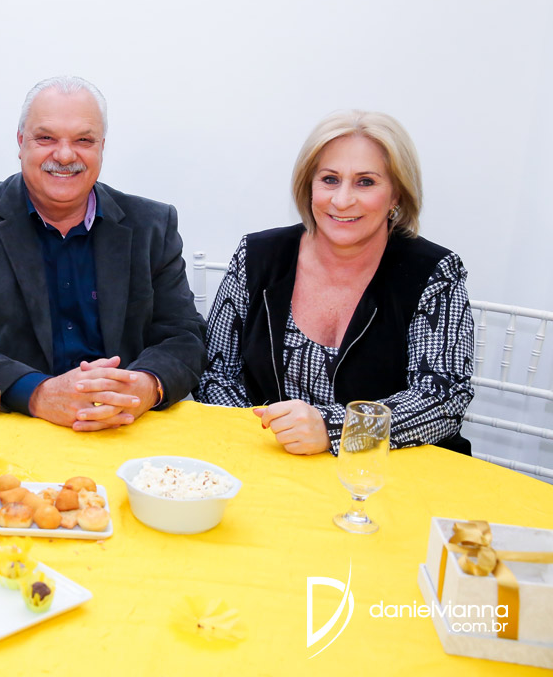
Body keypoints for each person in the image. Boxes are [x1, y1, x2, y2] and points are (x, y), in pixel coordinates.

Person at [0, 76, 206, 431]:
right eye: (46, 138)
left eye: (83, 140)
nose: (65, 155)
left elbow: (183, 335)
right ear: (21, 142)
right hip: (11, 426)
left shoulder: (152, 226)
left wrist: (143, 386)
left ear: (102, 147)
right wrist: (38, 393)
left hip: (125, 426)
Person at [195, 109, 474, 455]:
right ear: (308, 186)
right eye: (329, 179)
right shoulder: (256, 255)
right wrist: (268, 438)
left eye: (365, 182)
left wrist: (335, 430)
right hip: (270, 461)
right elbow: (215, 372)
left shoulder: (434, 272)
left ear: (396, 195)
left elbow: (444, 397)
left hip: (385, 473)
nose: (342, 200)